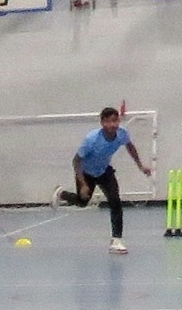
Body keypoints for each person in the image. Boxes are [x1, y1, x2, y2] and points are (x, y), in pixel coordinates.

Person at [51, 106, 152, 254]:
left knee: (115, 201)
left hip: (104, 171)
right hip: (86, 173)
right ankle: (62, 194)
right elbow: (76, 161)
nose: (112, 125)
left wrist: (141, 166)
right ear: (102, 123)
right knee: (82, 202)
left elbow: (130, 147)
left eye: (115, 121)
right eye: (108, 122)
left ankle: (117, 240)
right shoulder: (91, 139)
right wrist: (84, 184)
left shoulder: (122, 134)